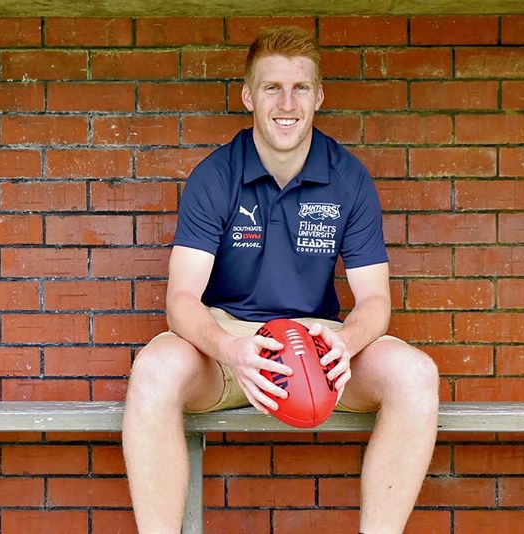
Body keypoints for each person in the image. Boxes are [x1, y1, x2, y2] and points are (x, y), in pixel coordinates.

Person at [122, 25, 439, 533]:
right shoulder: (216, 176)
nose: (286, 102)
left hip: (318, 341)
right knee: (155, 369)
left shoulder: (348, 177)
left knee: (415, 374)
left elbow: (376, 299)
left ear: (319, 95)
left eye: (300, 88)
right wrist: (229, 350)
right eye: (272, 87)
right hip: (229, 344)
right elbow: (181, 300)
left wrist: (348, 342)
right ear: (249, 95)